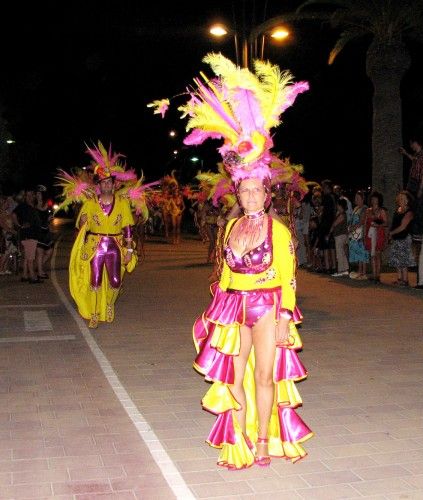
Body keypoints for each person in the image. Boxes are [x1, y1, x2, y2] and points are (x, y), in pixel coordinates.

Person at [151, 53, 313, 469]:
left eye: (257, 191)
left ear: (266, 193)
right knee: (233, 374)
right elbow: (223, 275)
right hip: (232, 306)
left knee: (263, 375)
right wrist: (214, 310)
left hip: (266, 305)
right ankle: (238, 440)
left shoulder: (278, 231)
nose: (251, 197)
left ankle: (263, 440)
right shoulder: (228, 229)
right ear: (237, 194)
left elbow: (289, 279)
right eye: (245, 192)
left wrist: (283, 318)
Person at [67, 143, 137, 329]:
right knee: (95, 280)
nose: (106, 185)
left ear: (114, 185)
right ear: (99, 186)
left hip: (115, 244)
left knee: (115, 281)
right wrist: (82, 220)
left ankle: (108, 305)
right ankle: (95, 313)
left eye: (109, 182)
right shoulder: (90, 203)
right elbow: (82, 225)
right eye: (103, 183)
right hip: (95, 245)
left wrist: (129, 250)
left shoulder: (122, 203)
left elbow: (128, 228)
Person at [399, 138, 423, 242]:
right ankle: (414, 234)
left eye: (411, 144)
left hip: (418, 184)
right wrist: (405, 153)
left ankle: (419, 236)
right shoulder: (418, 156)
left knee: (419, 211)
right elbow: (414, 159)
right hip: (414, 184)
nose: (411, 146)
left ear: (416, 142)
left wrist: (420, 188)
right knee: (413, 209)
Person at [12, 188, 43, 283]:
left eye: (31, 195)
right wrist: (19, 225)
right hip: (28, 234)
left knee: (26, 256)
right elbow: (13, 214)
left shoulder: (32, 206)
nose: (30, 197)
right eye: (28, 195)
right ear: (25, 197)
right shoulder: (23, 206)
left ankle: (25, 275)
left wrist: (38, 197)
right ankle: (32, 277)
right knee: (30, 257)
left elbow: (40, 206)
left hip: (32, 234)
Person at [388, 190, 416, 287]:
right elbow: (394, 224)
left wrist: (391, 232)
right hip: (396, 238)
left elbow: (403, 226)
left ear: (407, 200)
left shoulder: (409, 212)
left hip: (404, 238)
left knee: (403, 259)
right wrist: (391, 234)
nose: (400, 200)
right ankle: (399, 279)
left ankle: (405, 280)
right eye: (399, 198)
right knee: (396, 258)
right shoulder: (398, 210)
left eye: (402, 198)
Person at [364, 191, 388, 283]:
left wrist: (375, 220)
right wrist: (364, 236)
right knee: (372, 255)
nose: (374, 200)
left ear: (379, 200)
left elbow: (386, 223)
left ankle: (378, 275)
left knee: (378, 254)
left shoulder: (382, 211)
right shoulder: (368, 210)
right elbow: (366, 224)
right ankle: (374, 275)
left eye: (375, 198)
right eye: (372, 198)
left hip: (379, 234)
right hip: (370, 234)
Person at [348, 190, 369, 280]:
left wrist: (354, 227)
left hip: (361, 232)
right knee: (358, 253)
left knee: (363, 252)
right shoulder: (356, 208)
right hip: (355, 233)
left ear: (363, 199)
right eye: (355, 198)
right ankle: (359, 271)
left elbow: (362, 221)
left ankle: (363, 272)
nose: (356, 199)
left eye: (358, 198)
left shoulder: (364, 208)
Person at [35, 186, 54, 279]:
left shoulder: (47, 203)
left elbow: (50, 214)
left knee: (49, 251)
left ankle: (39, 267)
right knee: (40, 253)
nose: (37, 195)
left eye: (39, 193)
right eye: (37, 193)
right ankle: (40, 272)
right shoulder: (34, 205)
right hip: (38, 231)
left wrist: (50, 218)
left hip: (46, 231)